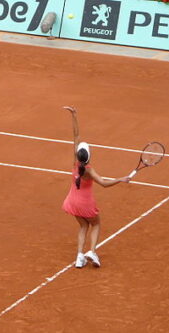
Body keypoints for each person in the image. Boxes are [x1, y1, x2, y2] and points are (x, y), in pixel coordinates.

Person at [62, 106, 131, 269]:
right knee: (96, 224)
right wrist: (121, 179)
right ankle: (92, 252)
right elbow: (104, 184)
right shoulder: (89, 170)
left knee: (83, 226)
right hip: (86, 204)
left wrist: (74, 115)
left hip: (71, 201)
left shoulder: (75, 163)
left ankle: (80, 257)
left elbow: (76, 135)